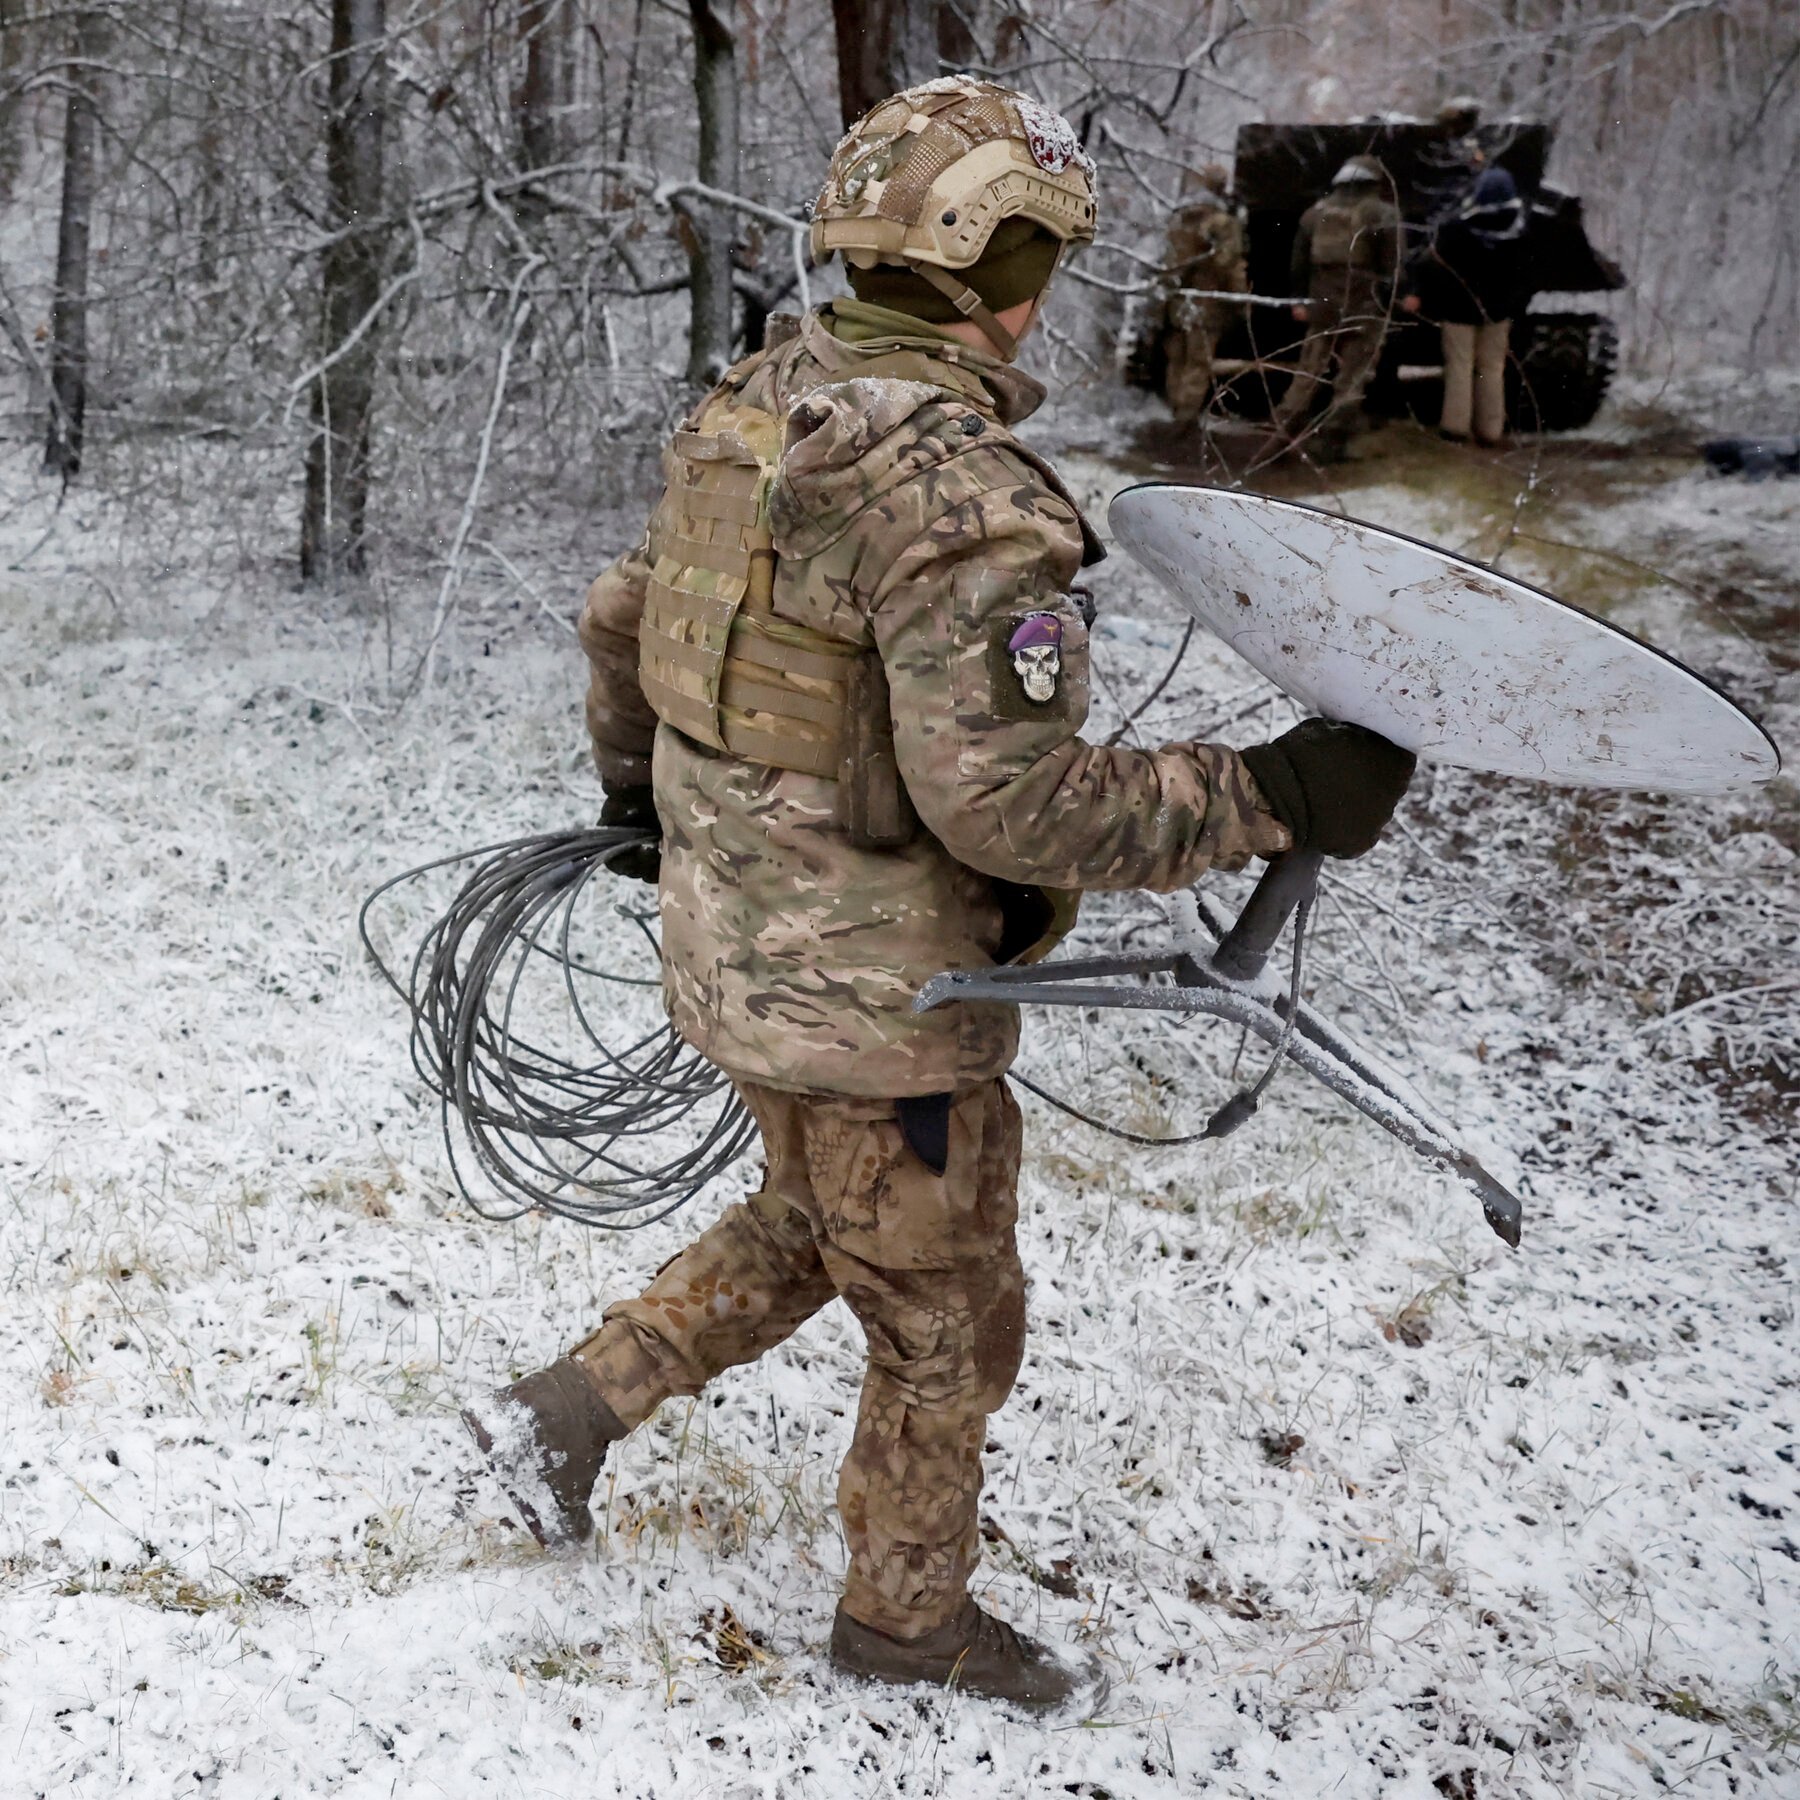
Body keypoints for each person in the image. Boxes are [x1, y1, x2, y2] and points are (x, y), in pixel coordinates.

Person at [463, 77, 1414, 1714]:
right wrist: (1269, 797)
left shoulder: (758, 400)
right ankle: (905, 1624)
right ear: (999, 265)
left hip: (737, 950)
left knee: (819, 1224)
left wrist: (638, 800)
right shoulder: (955, 492)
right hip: (876, 1005)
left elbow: (625, 619)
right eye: (1043, 247)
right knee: (949, 1312)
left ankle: (562, 1414)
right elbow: (1017, 802)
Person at [1271, 155, 1402, 454]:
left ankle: (1280, 433)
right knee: (1352, 378)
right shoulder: (1383, 214)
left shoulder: (1314, 214)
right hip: (1363, 306)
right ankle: (1333, 442)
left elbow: (1298, 265)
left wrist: (1301, 300)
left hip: (1323, 305)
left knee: (1308, 374)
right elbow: (1392, 267)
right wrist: (1386, 303)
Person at [1413, 166, 1533, 445]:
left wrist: (1432, 298)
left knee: (1460, 367)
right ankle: (1491, 430)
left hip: (1458, 311)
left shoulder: (1456, 230)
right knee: (1491, 369)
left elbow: (1431, 266)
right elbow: (1526, 276)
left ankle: (1456, 427)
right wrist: (1511, 305)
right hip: (1498, 313)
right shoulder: (1520, 233)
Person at [1158, 162, 1247, 424]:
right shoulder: (1221, 222)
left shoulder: (1181, 218)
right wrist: (1240, 299)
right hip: (1208, 301)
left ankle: (1174, 410)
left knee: (1177, 357)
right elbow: (1228, 264)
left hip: (1178, 300)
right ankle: (1185, 419)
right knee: (1198, 361)